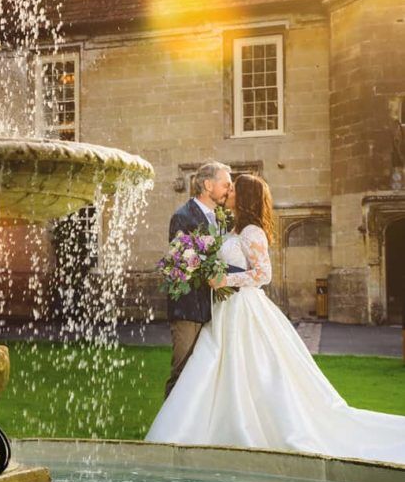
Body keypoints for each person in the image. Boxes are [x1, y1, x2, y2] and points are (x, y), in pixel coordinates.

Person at [147, 173, 405, 464]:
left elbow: (263, 274)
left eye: (233, 189)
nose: (228, 191)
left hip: (242, 307)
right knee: (211, 363)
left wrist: (225, 280)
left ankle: (243, 428)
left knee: (248, 368)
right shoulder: (233, 228)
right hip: (223, 309)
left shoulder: (252, 232)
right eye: (227, 186)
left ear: (244, 197)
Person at [164, 160, 232, 399]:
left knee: (207, 373)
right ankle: (168, 431)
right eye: (226, 185)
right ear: (207, 185)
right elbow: (181, 265)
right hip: (189, 309)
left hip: (216, 309)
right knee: (182, 371)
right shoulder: (182, 217)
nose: (229, 191)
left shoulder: (222, 217)